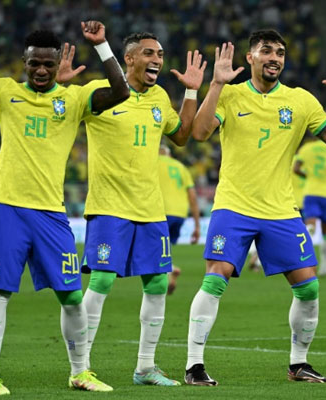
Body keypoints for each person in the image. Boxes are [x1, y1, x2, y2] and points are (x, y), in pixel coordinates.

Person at [0, 4, 129, 395]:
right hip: (6, 207)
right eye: (34, 64)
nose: (41, 70)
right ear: (24, 63)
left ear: (57, 60)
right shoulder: (3, 91)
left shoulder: (75, 99)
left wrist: (102, 46)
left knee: (72, 296)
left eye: (47, 63)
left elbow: (120, 91)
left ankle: (80, 372)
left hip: (50, 212)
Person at [185, 30, 326, 385]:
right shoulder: (231, 95)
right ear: (250, 57)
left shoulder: (300, 101)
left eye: (280, 52)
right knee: (216, 277)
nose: (274, 57)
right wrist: (216, 84)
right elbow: (199, 132)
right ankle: (194, 365)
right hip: (233, 206)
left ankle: (298, 363)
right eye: (266, 51)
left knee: (309, 288)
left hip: (281, 210)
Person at [58, 32, 206, 386]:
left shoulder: (158, 96)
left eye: (160, 53)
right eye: (149, 53)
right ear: (129, 59)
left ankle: (145, 367)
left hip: (151, 209)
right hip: (109, 206)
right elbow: (61, 115)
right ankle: (82, 366)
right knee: (103, 279)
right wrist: (61, 90)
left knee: (157, 283)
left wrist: (190, 92)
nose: (157, 59)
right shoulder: (100, 92)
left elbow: (182, 135)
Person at [294, 136, 326, 276]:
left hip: (311, 191)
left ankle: (303, 259)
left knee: (310, 224)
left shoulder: (305, 148)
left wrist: (308, 177)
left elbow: (296, 169)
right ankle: (325, 266)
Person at [157, 144, 201, 294]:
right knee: (163, 247)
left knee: (150, 247)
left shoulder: (152, 162)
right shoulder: (181, 167)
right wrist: (197, 226)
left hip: (159, 212)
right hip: (180, 214)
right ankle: (169, 269)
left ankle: (170, 270)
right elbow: (193, 197)